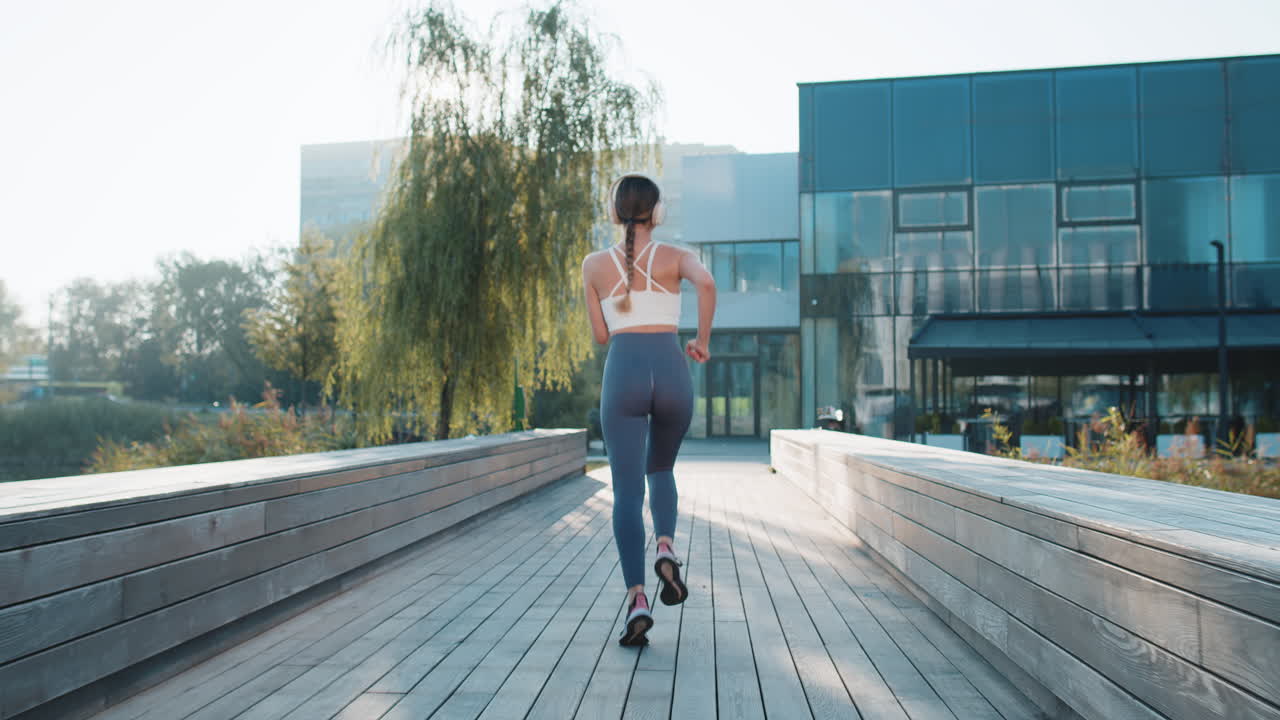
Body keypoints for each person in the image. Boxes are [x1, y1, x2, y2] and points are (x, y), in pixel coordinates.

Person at [581, 172, 716, 647]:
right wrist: (700, 340)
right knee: (661, 470)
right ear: (657, 213)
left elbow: (601, 337)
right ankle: (666, 546)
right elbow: (708, 285)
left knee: (625, 491)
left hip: (624, 374)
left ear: (616, 213)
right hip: (672, 371)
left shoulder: (594, 265)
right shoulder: (679, 257)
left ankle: (638, 599)